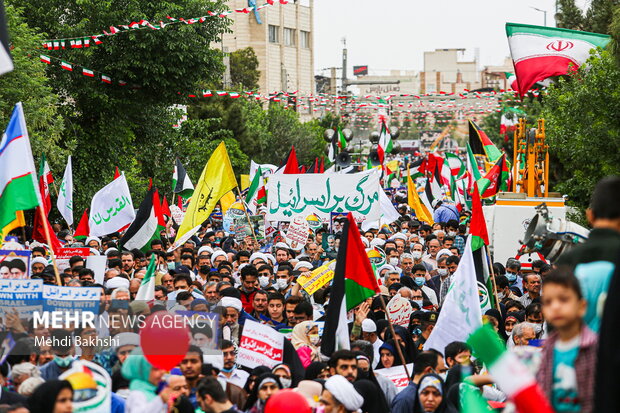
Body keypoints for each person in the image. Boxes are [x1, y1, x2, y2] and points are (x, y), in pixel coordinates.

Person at [537, 269, 597, 413]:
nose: (555, 307)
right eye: (548, 302)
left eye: (563, 299)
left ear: (582, 306)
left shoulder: (594, 346)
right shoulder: (547, 348)